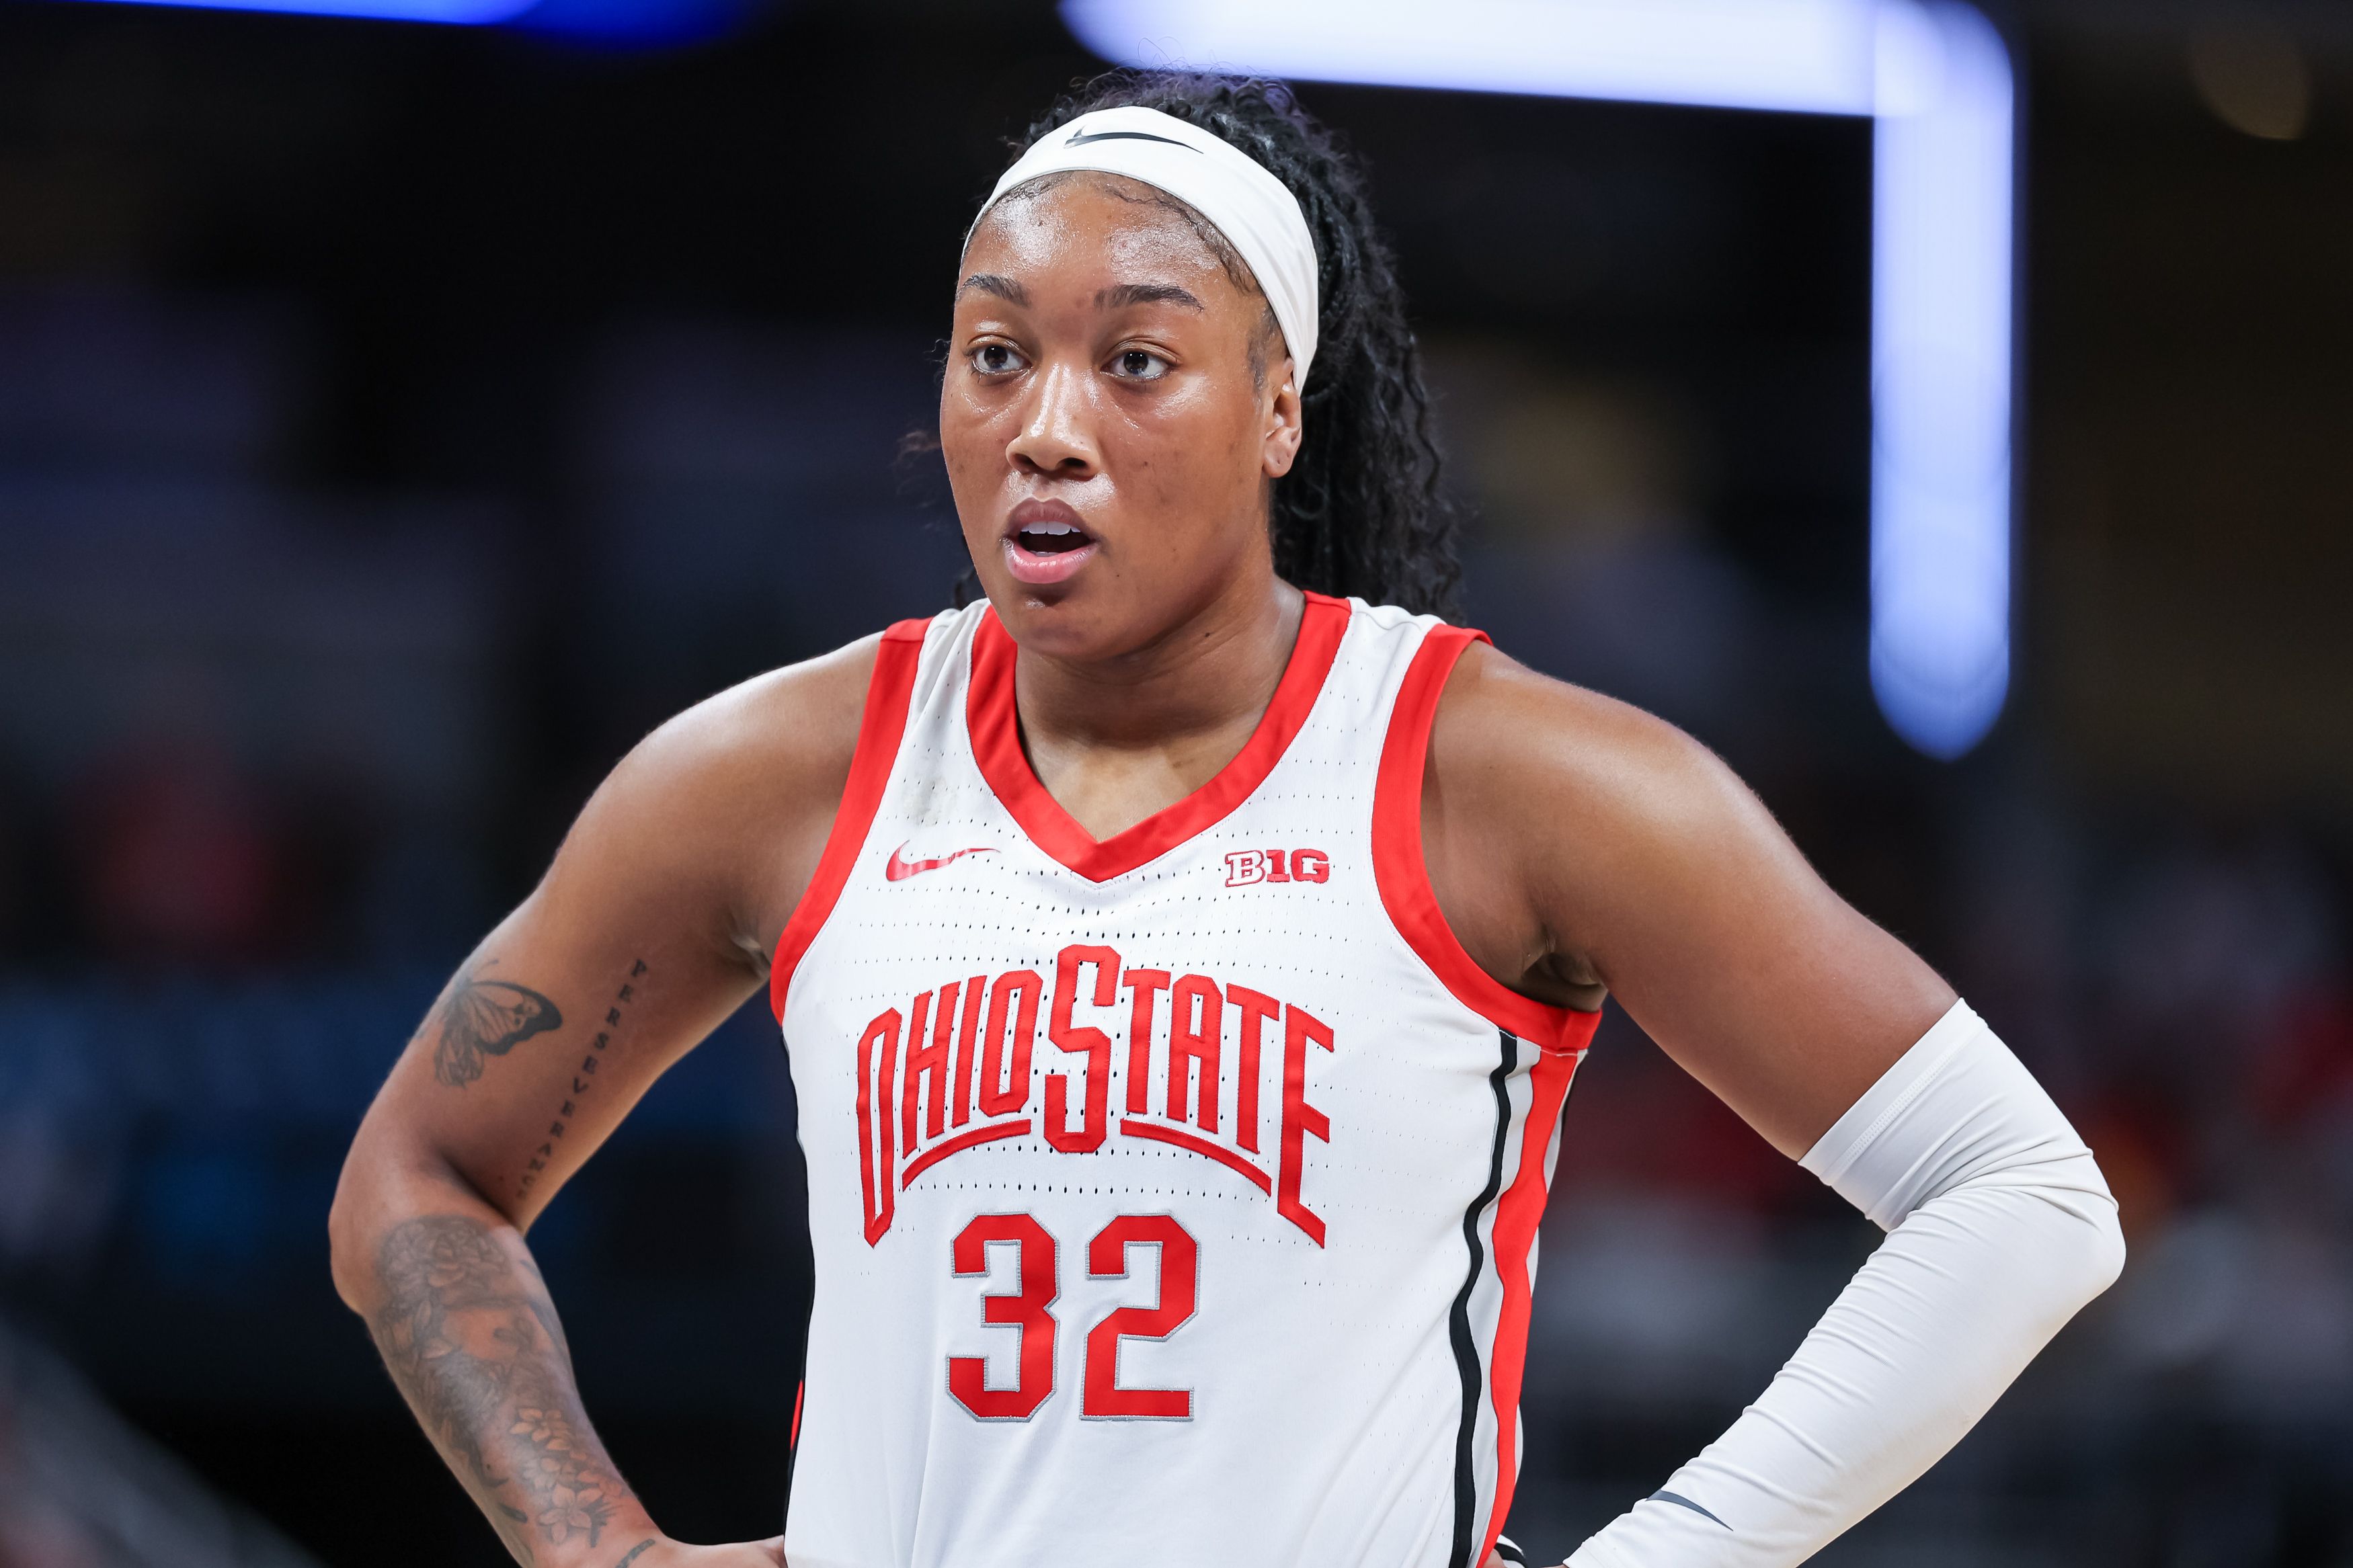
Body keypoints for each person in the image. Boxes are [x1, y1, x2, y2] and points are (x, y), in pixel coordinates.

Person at [328, 71, 2124, 1568]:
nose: (1043, 426)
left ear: (1278, 406)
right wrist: (597, 1550)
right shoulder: (769, 774)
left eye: (1133, 362)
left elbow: (2022, 1196)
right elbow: (422, 1172)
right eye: (991, 356)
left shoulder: (1504, 776)